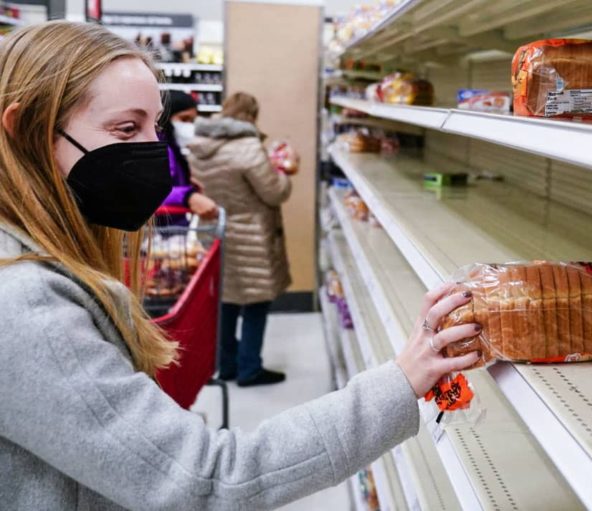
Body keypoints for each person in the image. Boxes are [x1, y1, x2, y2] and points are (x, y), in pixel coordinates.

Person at [0, 21, 481, 510]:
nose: (155, 151)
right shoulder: (22, 305)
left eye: (156, 127)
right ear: (26, 131)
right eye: (127, 128)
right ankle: (247, 366)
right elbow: (206, 479)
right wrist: (401, 379)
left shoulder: (43, 259)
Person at [187, 92, 290, 386]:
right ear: (252, 115)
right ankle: (250, 369)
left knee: (225, 302)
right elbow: (274, 192)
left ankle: (225, 365)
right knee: (256, 303)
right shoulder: (248, 147)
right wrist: (285, 171)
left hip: (216, 232)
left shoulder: (199, 145)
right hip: (250, 236)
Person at [157, 90, 218, 224]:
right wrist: (187, 196)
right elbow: (148, 193)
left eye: (192, 121)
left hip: (170, 230)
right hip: (161, 231)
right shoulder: (160, 149)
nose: (189, 126)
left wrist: (186, 184)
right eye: (184, 119)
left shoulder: (172, 147)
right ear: (165, 117)